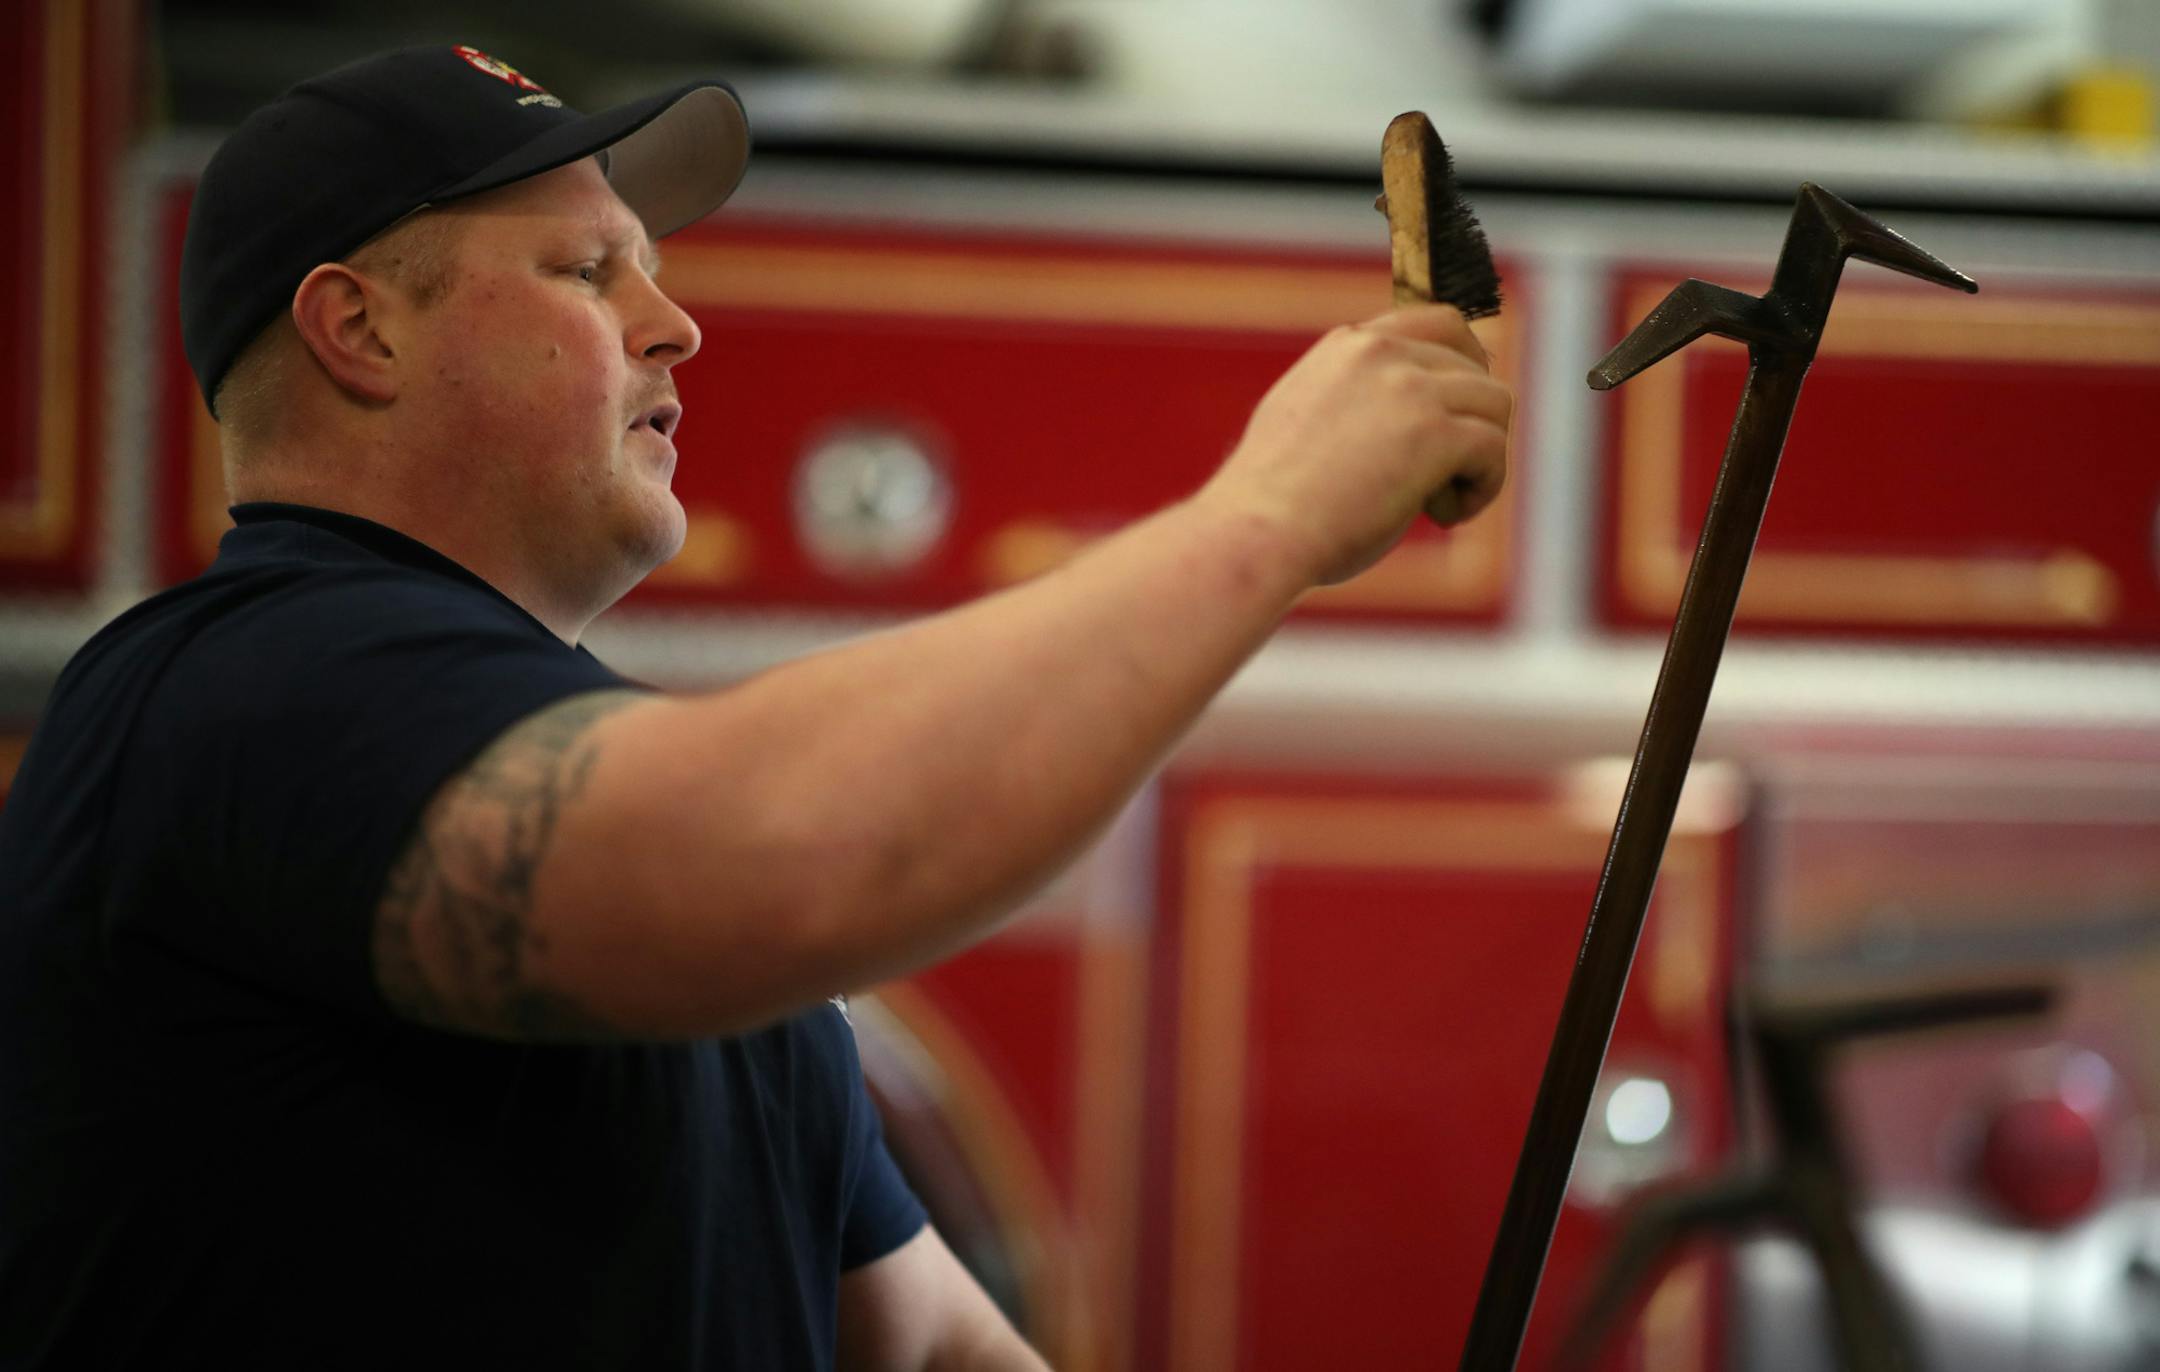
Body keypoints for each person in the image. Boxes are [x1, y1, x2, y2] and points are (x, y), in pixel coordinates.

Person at [0, 42, 1510, 1372]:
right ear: (360, 331)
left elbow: (926, 1348)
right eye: (589, 272)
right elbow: (791, 856)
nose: (675, 325)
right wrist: (1268, 517)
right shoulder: (244, 684)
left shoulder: (558, 754)